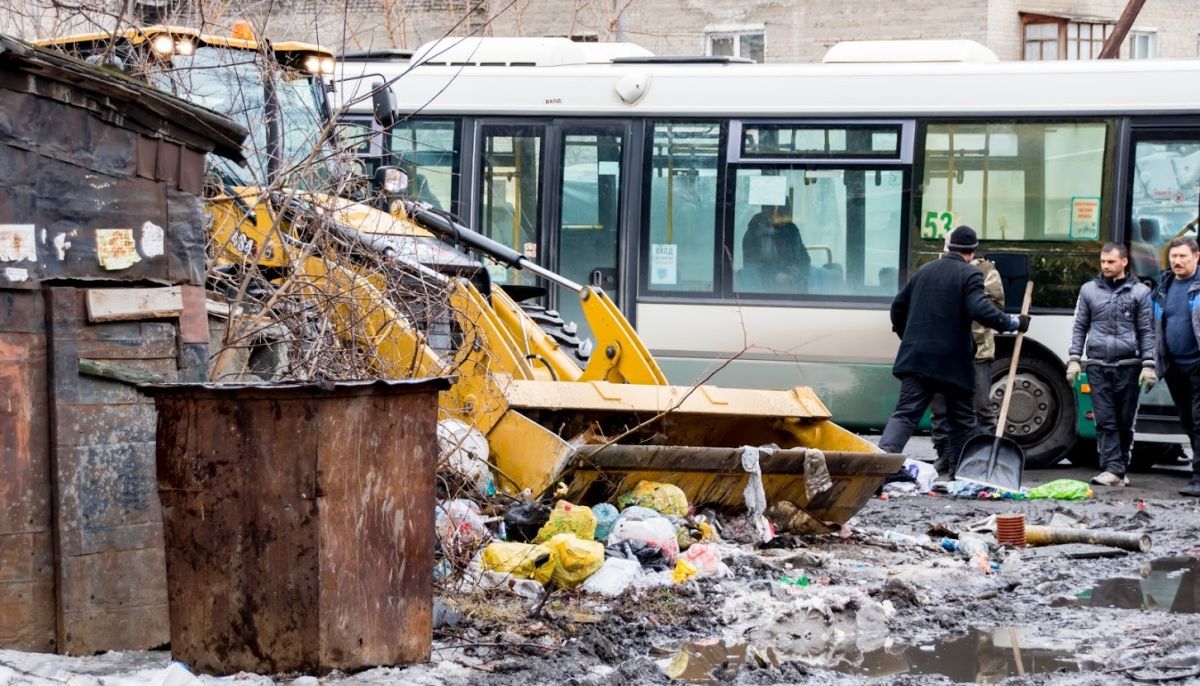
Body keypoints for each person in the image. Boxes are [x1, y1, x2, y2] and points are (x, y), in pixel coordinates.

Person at [879, 225, 1030, 474]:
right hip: (953, 362)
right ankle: (961, 474)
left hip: (916, 357)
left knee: (905, 414)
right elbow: (981, 309)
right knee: (962, 420)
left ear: (949, 247)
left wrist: (909, 337)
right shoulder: (969, 274)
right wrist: (1013, 323)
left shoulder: (924, 271)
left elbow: (898, 308)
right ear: (971, 252)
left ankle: (879, 468)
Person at [1066, 242, 1156, 487]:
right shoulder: (1088, 291)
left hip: (1129, 365)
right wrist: (1074, 359)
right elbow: (1080, 327)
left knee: (1124, 421)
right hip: (1097, 364)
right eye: (1103, 261)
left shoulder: (1140, 293)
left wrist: (1149, 364)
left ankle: (1119, 467)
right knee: (1104, 420)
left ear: (1124, 262)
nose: (1105, 266)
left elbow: (1147, 331)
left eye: (1111, 262)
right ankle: (1112, 468)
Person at [929, 249, 1005, 474]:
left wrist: (970, 301)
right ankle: (945, 453)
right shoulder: (937, 269)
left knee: (981, 404)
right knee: (941, 407)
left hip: (978, 349)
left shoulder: (985, 271)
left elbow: (996, 307)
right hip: (945, 350)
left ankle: (983, 458)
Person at [1150, 236, 1200, 497]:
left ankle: (1198, 478)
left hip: (1197, 365)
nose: (1177, 261)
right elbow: (1153, 325)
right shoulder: (1163, 286)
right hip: (1174, 368)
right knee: (1188, 421)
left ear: (1196, 257)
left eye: (1183, 256)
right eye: (1174, 257)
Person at [742, 205, 811, 292]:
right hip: (764, 289)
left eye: (785, 211)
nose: (784, 216)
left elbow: (804, 257)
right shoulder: (754, 233)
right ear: (769, 211)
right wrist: (775, 275)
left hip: (793, 283)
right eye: (780, 211)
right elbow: (752, 266)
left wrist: (797, 271)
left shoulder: (791, 229)